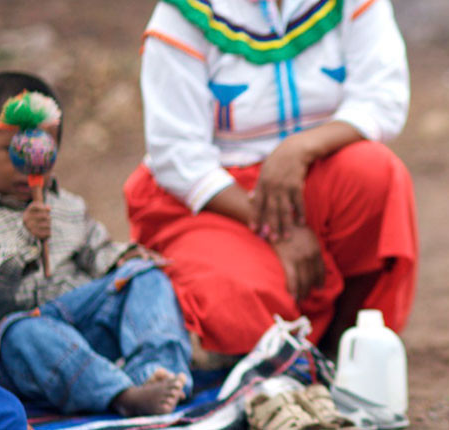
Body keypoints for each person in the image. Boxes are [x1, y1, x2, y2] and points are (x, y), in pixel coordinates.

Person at [126, 0, 417, 360]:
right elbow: (177, 154)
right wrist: (275, 227)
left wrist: (298, 149)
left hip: (312, 174)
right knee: (238, 300)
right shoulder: (183, 15)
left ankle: (343, 345)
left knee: (376, 174)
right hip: (212, 202)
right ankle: (279, 352)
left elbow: (382, 100)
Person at [0, 72, 191, 416]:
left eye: (41, 148)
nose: (27, 163)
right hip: (19, 344)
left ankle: (156, 374)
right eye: (13, 151)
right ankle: (120, 394)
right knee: (22, 332)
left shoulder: (69, 207)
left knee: (145, 275)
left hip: (81, 327)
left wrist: (123, 258)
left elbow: (98, 252)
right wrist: (22, 240)